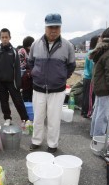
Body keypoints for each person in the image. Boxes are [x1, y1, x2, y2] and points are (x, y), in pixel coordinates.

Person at [28, 13, 76, 153]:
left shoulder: (67, 46)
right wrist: (36, 74)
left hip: (58, 89)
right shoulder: (35, 44)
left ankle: (52, 144)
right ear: (45, 27)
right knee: (37, 117)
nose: (53, 30)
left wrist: (62, 77)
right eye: (50, 27)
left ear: (60, 28)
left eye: (57, 27)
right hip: (38, 88)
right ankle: (36, 141)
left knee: (54, 119)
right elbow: (31, 62)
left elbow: (71, 65)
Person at [89, 27, 109, 137]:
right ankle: (98, 137)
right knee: (103, 114)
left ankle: (93, 134)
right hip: (105, 86)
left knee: (97, 111)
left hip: (98, 84)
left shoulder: (101, 48)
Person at [0, 28, 29, 126]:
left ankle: (25, 119)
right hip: (1, 82)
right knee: (3, 101)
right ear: (0, 38)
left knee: (18, 101)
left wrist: (18, 83)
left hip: (12, 81)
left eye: (6, 37)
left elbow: (17, 68)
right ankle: (7, 118)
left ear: (10, 38)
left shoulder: (14, 51)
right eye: (2, 37)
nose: (4, 39)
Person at [82, 35, 100, 118]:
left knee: (86, 96)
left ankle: (84, 111)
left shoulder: (90, 51)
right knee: (89, 97)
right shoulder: (93, 52)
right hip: (90, 78)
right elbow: (92, 68)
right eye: (99, 41)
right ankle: (88, 112)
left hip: (86, 77)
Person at [18, 36, 35, 102]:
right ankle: (25, 109)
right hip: (24, 77)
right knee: (25, 95)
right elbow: (21, 66)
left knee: (31, 95)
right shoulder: (22, 52)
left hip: (30, 77)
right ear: (28, 45)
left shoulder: (30, 52)